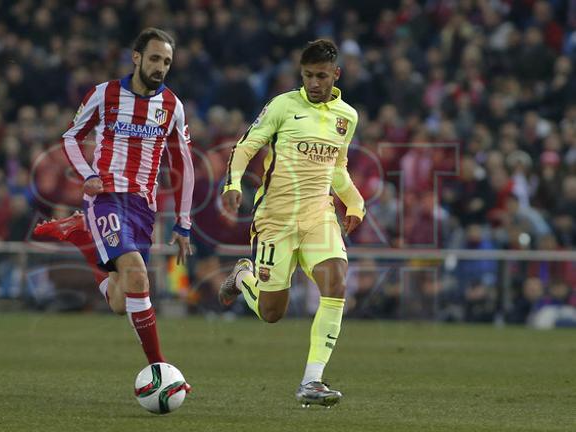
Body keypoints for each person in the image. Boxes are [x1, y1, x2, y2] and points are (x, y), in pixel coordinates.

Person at [34, 28, 194, 373]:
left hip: (142, 208)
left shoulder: (172, 106)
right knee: (138, 275)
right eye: (154, 58)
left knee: (122, 301)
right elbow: (71, 137)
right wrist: (88, 176)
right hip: (105, 198)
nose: (160, 67)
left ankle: (81, 236)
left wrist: (183, 223)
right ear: (136, 58)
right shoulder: (104, 94)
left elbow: (184, 164)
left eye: (166, 61)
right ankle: (160, 370)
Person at [219, 39, 365, 407]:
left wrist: (354, 201)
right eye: (307, 76)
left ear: (336, 74)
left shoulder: (347, 117)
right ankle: (242, 275)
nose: (314, 83)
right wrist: (233, 183)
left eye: (321, 76)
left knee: (336, 282)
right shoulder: (283, 106)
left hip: (318, 215)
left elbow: (338, 168)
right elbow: (247, 146)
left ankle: (312, 380)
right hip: (275, 219)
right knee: (272, 313)